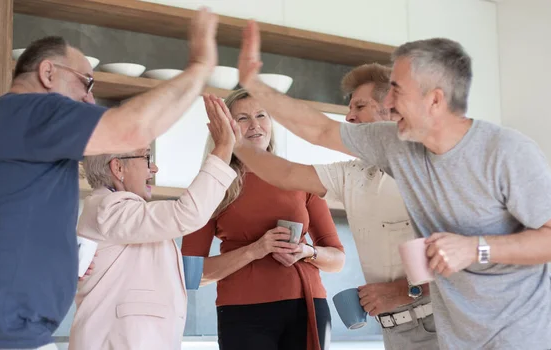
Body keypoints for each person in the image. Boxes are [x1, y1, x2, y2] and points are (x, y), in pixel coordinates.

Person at [236, 21, 551, 349]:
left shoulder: (506, 151)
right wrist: (252, 88)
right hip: (456, 339)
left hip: (520, 335)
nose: (387, 102)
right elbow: (319, 130)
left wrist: (476, 248)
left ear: (435, 99)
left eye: (397, 90)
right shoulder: (396, 145)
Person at [0, 8, 219, 349]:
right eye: (86, 82)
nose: (90, 99)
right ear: (48, 72)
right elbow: (133, 130)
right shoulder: (33, 109)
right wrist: (198, 68)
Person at [229, 63, 438, 350]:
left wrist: (408, 291)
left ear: (392, 109)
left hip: (440, 324)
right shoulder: (354, 174)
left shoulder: (428, 167)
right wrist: (233, 137)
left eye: (360, 106)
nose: (349, 117)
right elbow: (286, 174)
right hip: (395, 332)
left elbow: (471, 256)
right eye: (348, 108)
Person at [181, 91, 346, 350]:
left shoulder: (301, 177)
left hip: (307, 305)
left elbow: (337, 259)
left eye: (261, 115)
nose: (255, 125)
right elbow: (192, 274)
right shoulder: (212, 185)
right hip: (242, 313)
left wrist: (306, 252)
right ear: (227, 127)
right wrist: (256, 250)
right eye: (243, 118)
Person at [68, 103, 237, 350]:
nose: (153, 168)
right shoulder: (110, 208)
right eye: (146, 157)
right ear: (118, 168)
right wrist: (223, 148)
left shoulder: (117, 211)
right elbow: (187, 213)